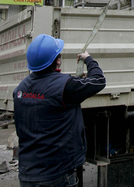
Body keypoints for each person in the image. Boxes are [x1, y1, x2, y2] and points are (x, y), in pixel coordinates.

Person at [13, 34, 106, 187]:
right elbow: (99, 80)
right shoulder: (65, 87)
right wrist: (88, 59)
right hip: (58, 174)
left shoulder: (20, 89)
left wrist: (77, 82)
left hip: (27, 174)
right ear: (57, 60)